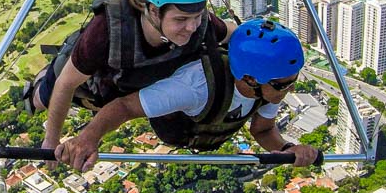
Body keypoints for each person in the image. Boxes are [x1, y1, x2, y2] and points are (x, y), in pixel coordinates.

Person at [23, 0, 235, 152]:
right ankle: (41, 80)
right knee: (41, 100)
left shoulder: (202, 26)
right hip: (87, 82)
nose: (191, 27)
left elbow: (233, 33)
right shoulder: (107, 31)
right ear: (153, 11)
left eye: (197, 16)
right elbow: (66, 83)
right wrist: (51, 141)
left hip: (123, 87)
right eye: (180, 20)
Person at [54, 18, 322, 172]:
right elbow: (124, 107)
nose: (290, 90)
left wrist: (288, 148)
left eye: (292, 82)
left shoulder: (267, 90)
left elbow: (263, 130)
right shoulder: (195, 85)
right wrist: (87, 138)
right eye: (283, 85)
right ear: (250, 79)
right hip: (179, 126)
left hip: (206, 126)